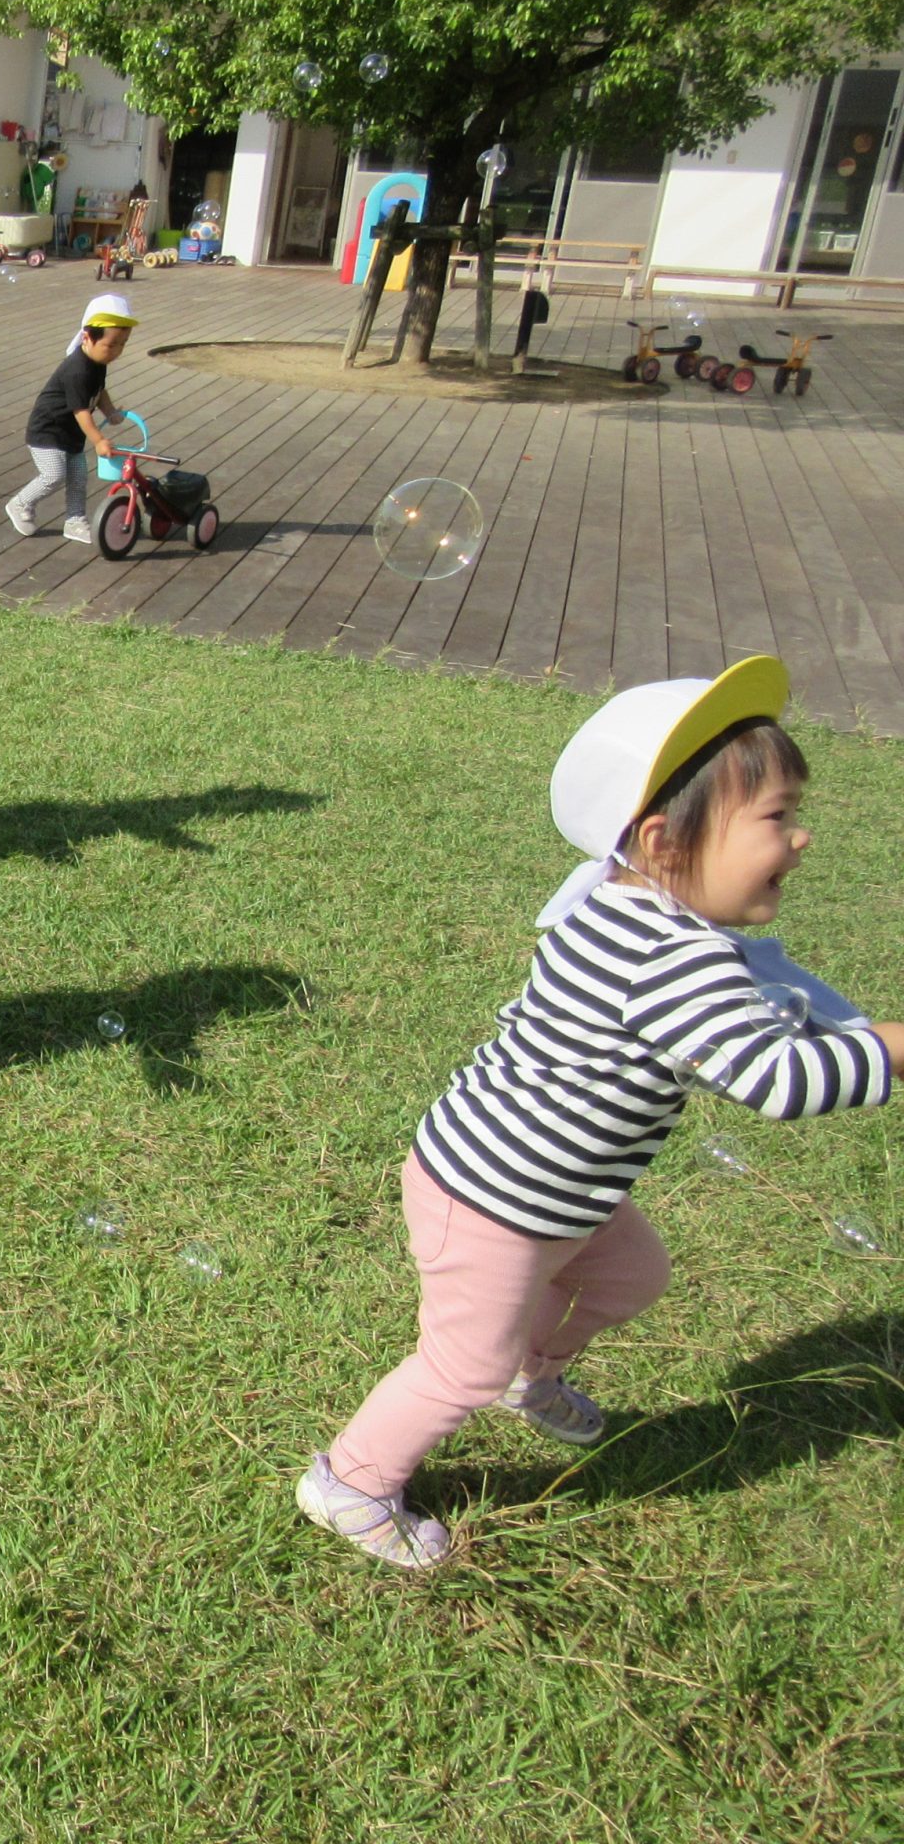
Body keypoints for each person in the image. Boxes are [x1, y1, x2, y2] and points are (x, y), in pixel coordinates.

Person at [299, 658, 903, 1569]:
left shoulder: (627, 906)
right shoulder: (673, 957)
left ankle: (529, 1375)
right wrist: (891, 1047)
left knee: (632, 1278)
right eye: (776, 818)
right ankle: (350, 1480)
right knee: (458, 1362)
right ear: (663, 844)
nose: (801, 838)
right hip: (494, 1197)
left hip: (554, 1191)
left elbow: (746, 1007)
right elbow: (775, 1080)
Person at [4, 293, 138, 544]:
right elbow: (81, 411)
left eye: (123, 344)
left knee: (78, 476)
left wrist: (110, 411)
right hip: (47, 432)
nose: (117, 351)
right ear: (88, 337)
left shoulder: (97, 362)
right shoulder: (77, 369)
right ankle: (20, 503)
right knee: (54, 474)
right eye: (112, 345)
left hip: (71, 435)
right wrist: (99, 440)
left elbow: (98, 392)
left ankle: (75, 521)